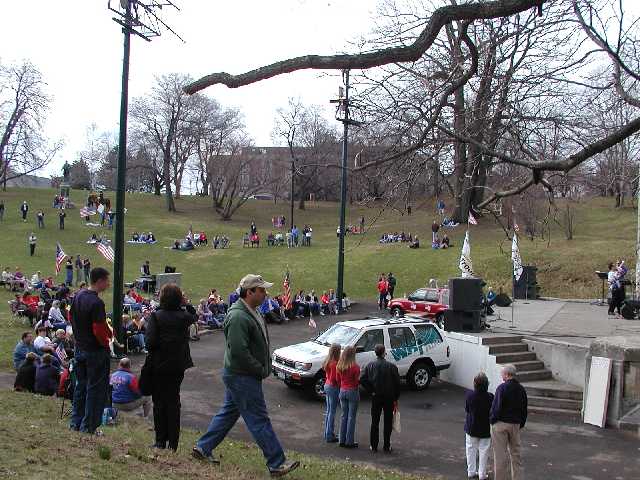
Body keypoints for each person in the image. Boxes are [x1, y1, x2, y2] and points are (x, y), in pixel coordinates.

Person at [192, 274, 300, 477]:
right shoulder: (238, 316)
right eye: (261, 290)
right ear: (249, 292)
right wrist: (259, 369)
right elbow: (239, 352)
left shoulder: (251, 311)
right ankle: (276, 462)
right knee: (259, 419)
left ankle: (203, 447)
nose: (266, 293)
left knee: (229, 413)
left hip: (242, 375)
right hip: (242, 376)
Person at [145, 283, 196, 451]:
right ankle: (173, 443)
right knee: (173, 402)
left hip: (159, 364)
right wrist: (185, 303)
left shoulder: (156, 316)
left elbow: (150, 342)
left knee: (159, 402)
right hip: (177, 365)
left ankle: (160, 440)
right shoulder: (183, 316)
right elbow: (194, 316)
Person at [70, 267, 112, 435]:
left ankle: (75, 422)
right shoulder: (96, 303)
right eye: (107, 281)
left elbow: (70, 317)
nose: (108, 284)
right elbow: (99, 330)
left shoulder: (78, 296)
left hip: (80, 346)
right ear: (100, 281)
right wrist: (107, 342)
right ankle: (88, 426)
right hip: (94, 351)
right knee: (95, 389)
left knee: (80, 387)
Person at [360, 344, 400, 453]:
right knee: (388, 422)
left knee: (375, 422)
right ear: (384, 353)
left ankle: (373, 446)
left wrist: (371, 390)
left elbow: (362, 379)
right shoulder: (391, 366)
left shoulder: (370, 365)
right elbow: (397, 383)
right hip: (389, 397)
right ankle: (386, 446)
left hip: (376, 396)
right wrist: (396, 398)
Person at [490, 364, 528, 480]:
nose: (501, 375)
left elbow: (496, 407)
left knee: (500, 455)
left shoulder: (502, 388)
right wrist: (521, 423)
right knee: (516, 454)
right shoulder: (521, 389)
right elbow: (524, 408)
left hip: (501, 424)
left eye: (502, 373)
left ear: (506, 374)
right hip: (515, 423)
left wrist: (492, 420)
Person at [465, 372, 494, 480]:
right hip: (485, 428)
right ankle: (482, 474)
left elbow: (467, 409)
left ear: (475, 384)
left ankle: (471, 472)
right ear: (487, 384)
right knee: (484, 451)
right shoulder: (490, 397)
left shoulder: (470, 395)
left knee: (470, 449)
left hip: (472, 426)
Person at [336, 345, 360, 448]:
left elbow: (338, 379)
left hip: (342, 390)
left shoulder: (339, 365)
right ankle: (349, 441)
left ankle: (341, 439)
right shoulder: (355, 367)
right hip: (352, 391)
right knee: (351, 417)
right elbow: (356, 382)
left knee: (343, 415)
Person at [322, 344, 341, 443]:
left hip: (327, 385)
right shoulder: (335, 364)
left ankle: (327, 433)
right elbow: (335, 379)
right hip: (333, 387)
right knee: (332, 412)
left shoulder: (328, 361)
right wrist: (340, 385)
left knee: (329, 411)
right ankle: (330, 435)